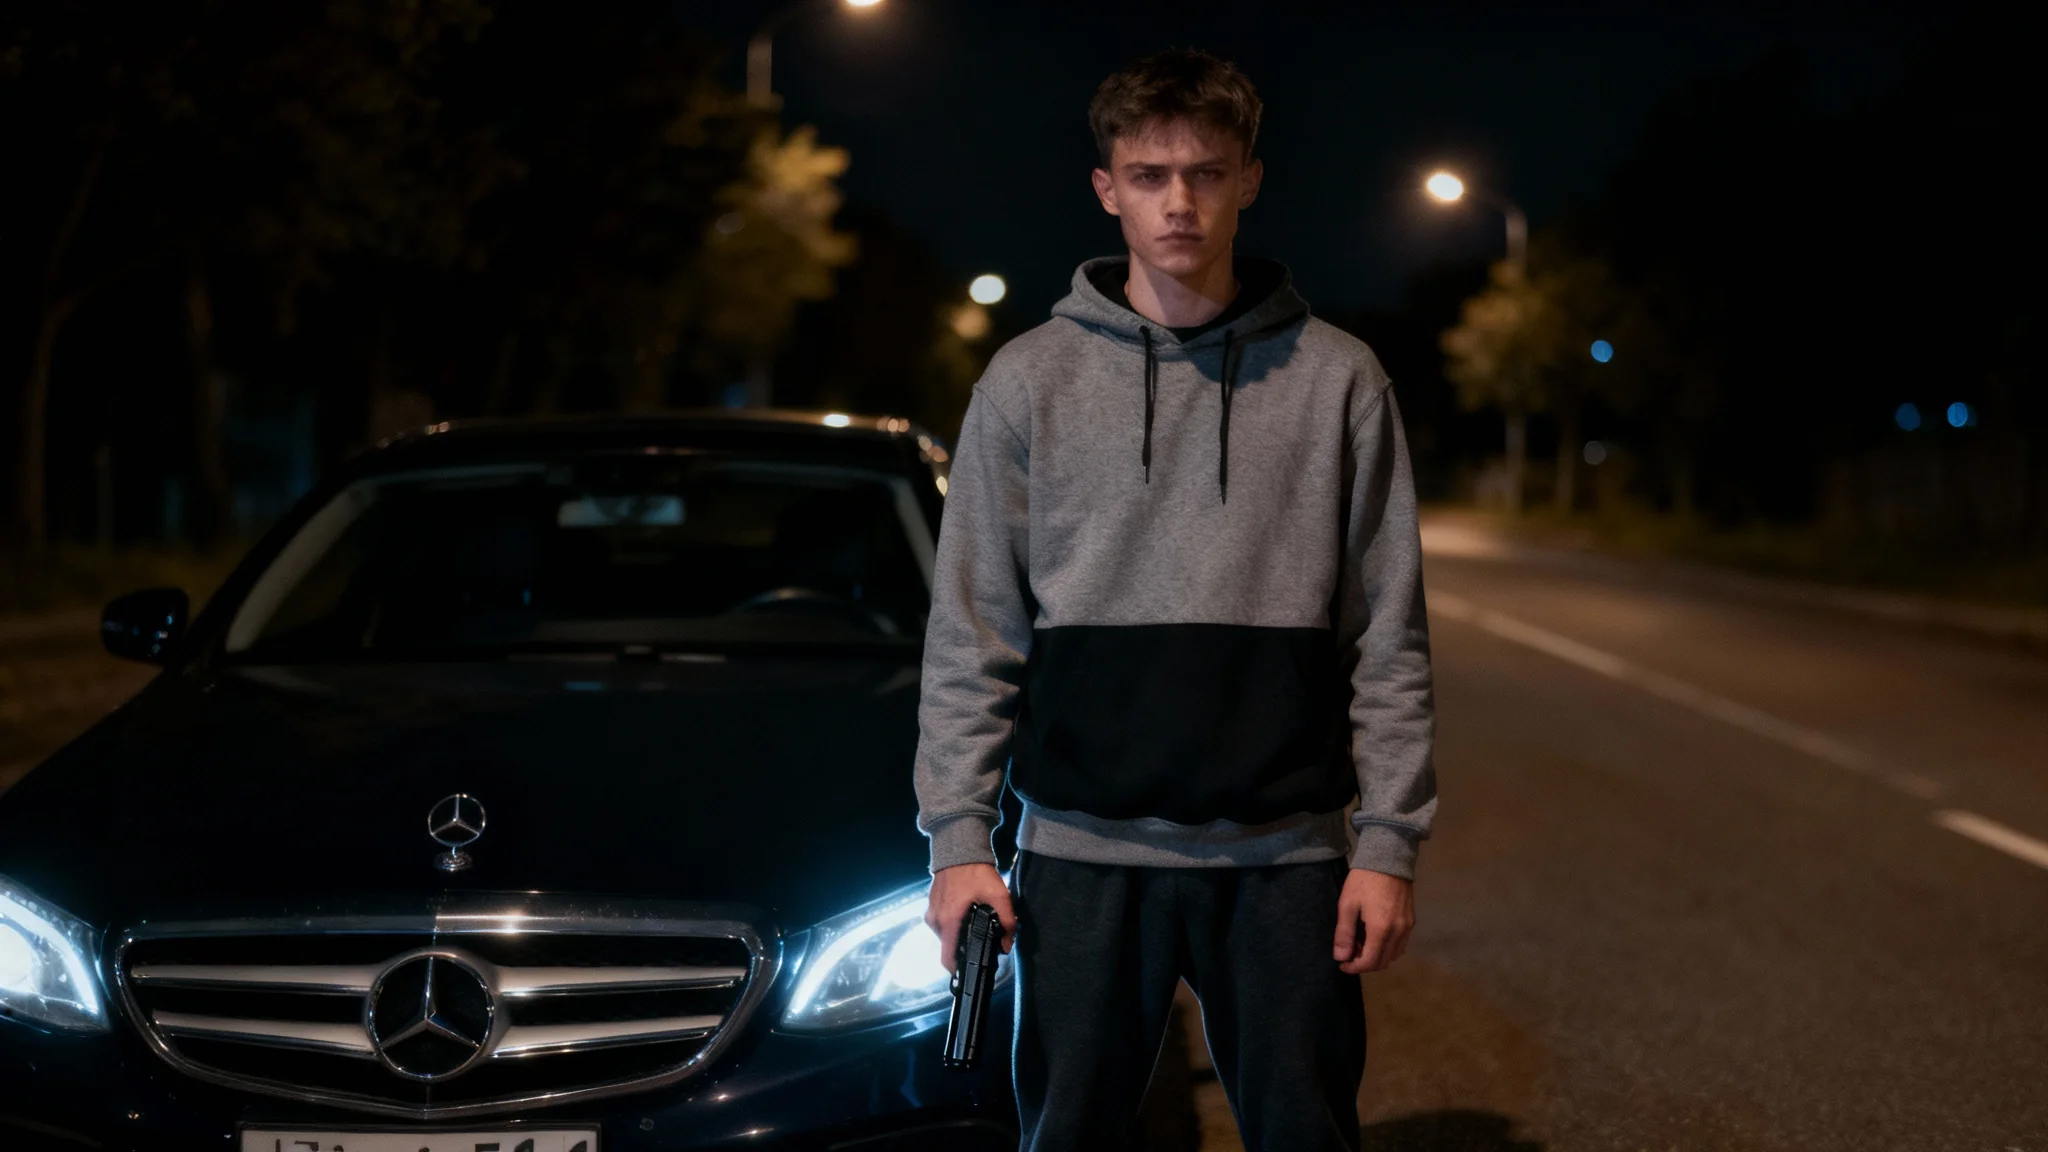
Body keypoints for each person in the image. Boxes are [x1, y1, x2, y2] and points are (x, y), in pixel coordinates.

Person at [916, 47, 1437, 1151]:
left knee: (1306, 1136)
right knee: (1065, 1137)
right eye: (1149, 175)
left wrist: (1385, 845)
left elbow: (1386, 635)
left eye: (1204, 172)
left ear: (1249, 178)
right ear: (1106, 189)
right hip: (1077, 856)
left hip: (1281, 860)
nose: (1179, 202)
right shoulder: (1027, 381)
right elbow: (972, 634)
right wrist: (959, 841)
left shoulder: (1339, 379)